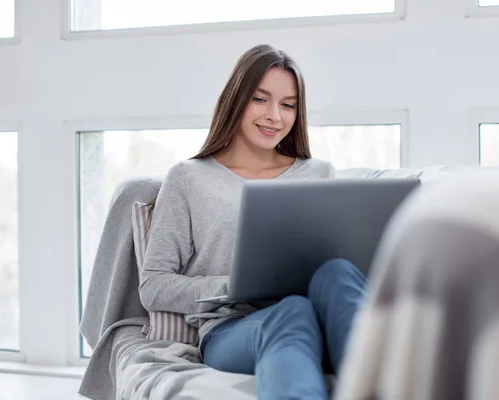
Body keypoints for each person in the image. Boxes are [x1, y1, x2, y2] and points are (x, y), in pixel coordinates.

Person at [139, 44, 368, 400]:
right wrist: (234, 285)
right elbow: (153, 285)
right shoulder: (188, 178)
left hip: (325, 319)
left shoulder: (319, 173)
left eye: (288, 104)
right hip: (233, 329)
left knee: (337, 272)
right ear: (236, 99)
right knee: (292, 311)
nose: (275, 116)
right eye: (261, 99)